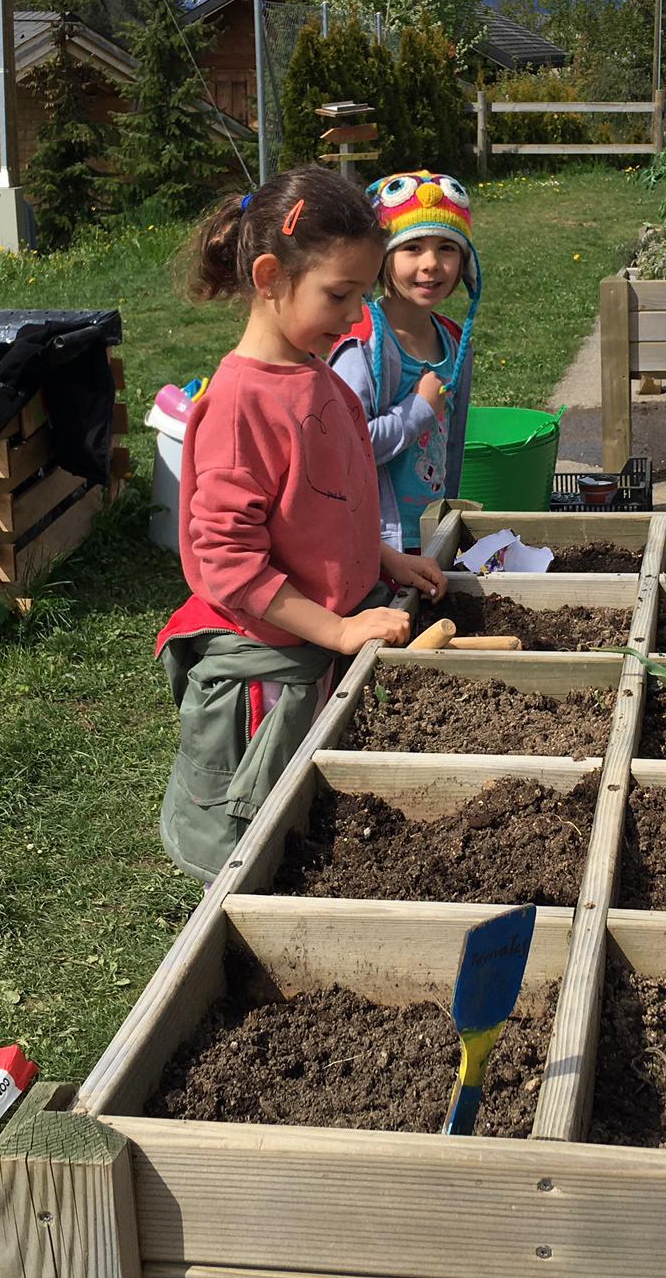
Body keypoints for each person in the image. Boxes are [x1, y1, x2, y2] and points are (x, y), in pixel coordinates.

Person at [155, 166, 447, 882]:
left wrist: (383, 559)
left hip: (317, 639)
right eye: (340, 295)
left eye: (362, 295)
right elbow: (229, 564)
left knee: (311, 813)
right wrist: (340, 631)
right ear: (269, 277)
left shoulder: (320, 379)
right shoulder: (240, 406)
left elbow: (330, 502)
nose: (354, 318)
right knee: (253, 839)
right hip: (268, 668)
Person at [329, 170, 483, 551]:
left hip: (433, 535)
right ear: (382, 258)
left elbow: (451, 444)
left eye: (446, 248)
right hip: (377, 546)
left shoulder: (455, 344)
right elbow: (346, 450)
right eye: (412, 248)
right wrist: (418, 410)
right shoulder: (361, 347)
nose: (431, 263)